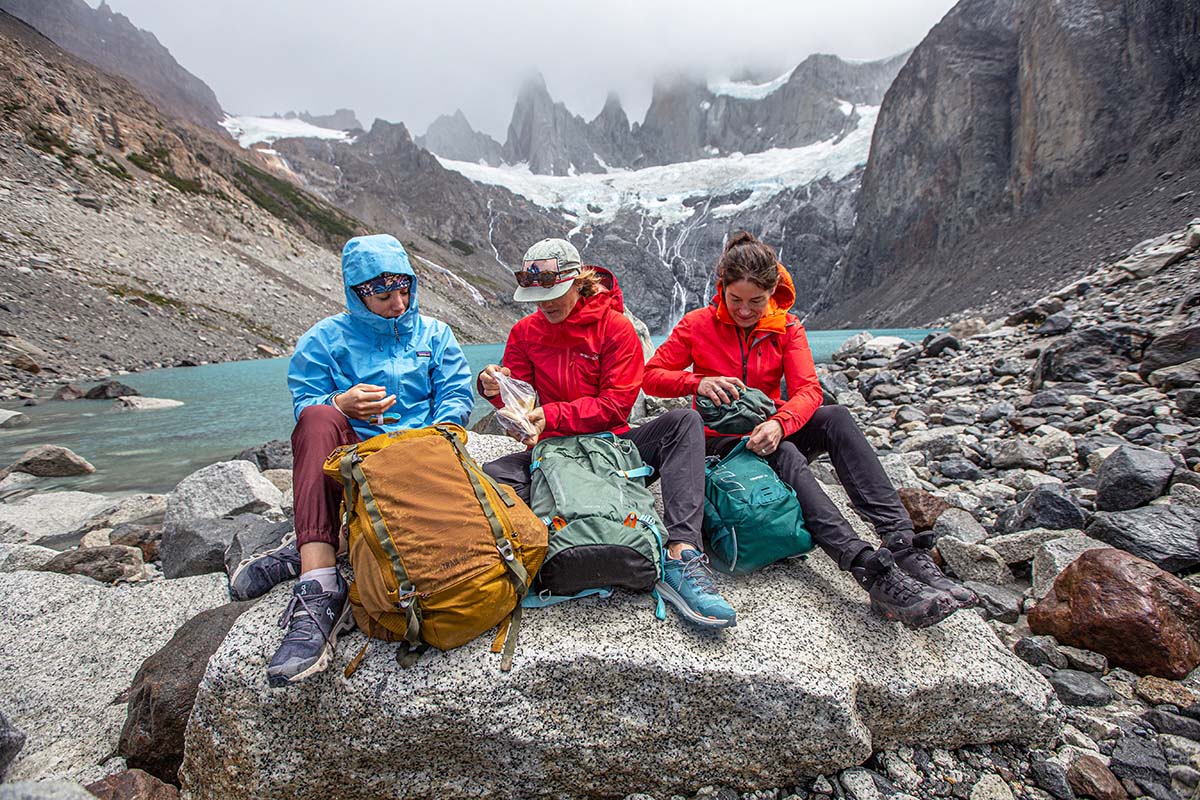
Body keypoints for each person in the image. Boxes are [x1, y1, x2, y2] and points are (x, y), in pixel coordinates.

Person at [642, 231, 976, 629]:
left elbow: (808, 391)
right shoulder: (698, 325)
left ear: (772, 292)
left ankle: (902, 544)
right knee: (786, 457)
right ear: (721, 290)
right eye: (735, 301)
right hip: (721, 443)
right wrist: (696, 383)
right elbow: (652, 377)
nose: (745, 311)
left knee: (835, 417)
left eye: (755, 302)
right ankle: (864, 566)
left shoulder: (786, 327)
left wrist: (780, 424)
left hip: (769, 429)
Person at [229, 233, 474, 686]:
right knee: (320, 419)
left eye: (405, 291)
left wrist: (437, 436)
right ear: (357, 292)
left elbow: (457, 396)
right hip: (351, 467)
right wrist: (341, 404)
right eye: (383, 295)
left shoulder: (436, 335)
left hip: (417, 464)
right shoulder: (324, 340)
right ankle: (321, 583)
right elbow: (306, 404)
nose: (398, 303)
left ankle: (312, 545)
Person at [478, 237, 736, 629]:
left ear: (579, 282)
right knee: (488, 478)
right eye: (537, 296)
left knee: (684, 422)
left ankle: (681, 551)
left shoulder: (616, 329)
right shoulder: (525, 333)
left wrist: (551, 416)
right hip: (555, 454)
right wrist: (495, 390)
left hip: (613, 447)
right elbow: (520, 402)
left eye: (555, 293)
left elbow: (616, 405)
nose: (545, 303)